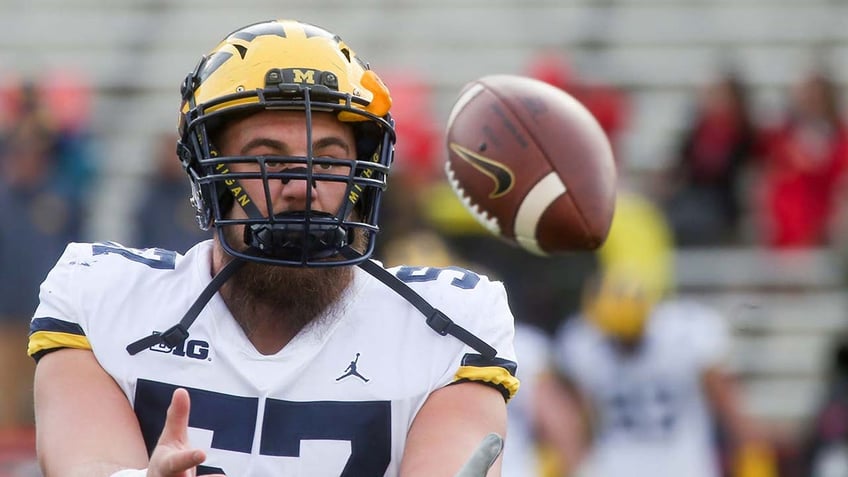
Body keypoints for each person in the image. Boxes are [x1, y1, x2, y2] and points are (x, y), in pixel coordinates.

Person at [27, 19, 519, 477]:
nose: (302, 187)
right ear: (210, 176)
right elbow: (86, 462)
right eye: (267, 159)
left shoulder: (447, 323)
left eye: (327, 161)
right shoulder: (103, 299)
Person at [534, 268, 777, 477]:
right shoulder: (583, 343)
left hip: (680, 465)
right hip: (619, 466)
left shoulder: (685, 333)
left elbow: (729, 408)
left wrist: (752, 454)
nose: (623, 344)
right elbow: (578, 423)